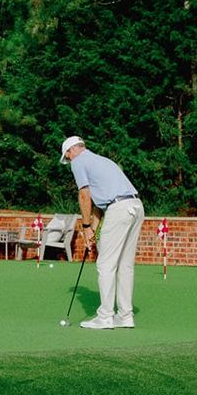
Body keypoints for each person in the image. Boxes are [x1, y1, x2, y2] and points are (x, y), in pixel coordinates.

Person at [60, 135, 144, 329]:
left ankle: (105, 316)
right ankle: (125, 316)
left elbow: (84, 195)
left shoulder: (79, 161)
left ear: (71, 150)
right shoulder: (102, 160)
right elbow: (100, 205)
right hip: (135, 206)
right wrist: (92, 232)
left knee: (105, 264)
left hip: (119, 209)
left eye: (67, 156)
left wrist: (86, 226)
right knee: (124, 265)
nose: (69, 160)